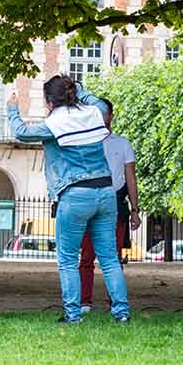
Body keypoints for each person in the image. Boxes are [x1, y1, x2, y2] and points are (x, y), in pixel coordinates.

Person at [7, 75, 130, 324]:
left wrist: (12, 109)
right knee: (109, 258)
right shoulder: (94, 112)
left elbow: (21, 133)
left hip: (74, 194)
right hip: (105, 192)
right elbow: (102, 105)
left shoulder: (55, 123)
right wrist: (80, 91)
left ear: (50, 102)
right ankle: (122, 312)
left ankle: (73, 314)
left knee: (68, 259)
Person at [78, 98, 141, 313]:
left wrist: (135, 209)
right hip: (89, 201)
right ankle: (85, 301)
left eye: (104, 113)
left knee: (112, 257)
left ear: (111, 115)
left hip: (114, 202)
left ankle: (115, 301)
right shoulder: (85, 142)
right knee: (86, 256)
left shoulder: (122, 144)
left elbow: (130, 178)